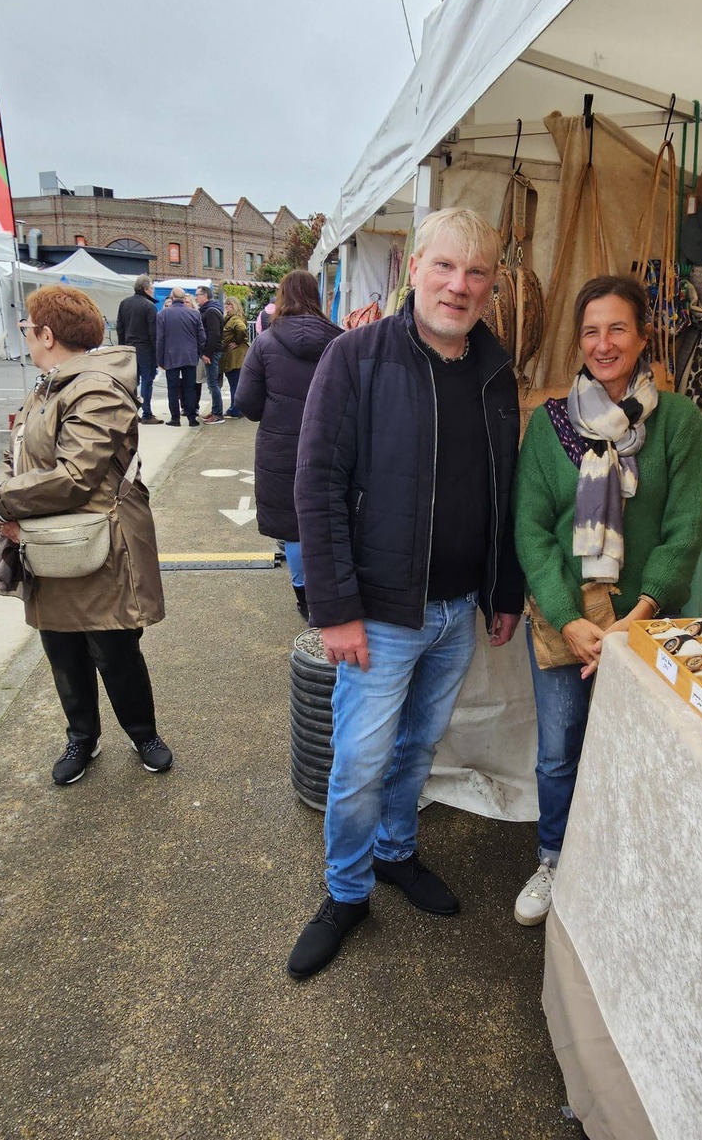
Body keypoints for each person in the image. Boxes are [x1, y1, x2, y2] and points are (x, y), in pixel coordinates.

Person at [286, 208, 523, 979]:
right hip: (379, 613)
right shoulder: (356, 357)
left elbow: (504, 490)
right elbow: (316, 486)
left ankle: (393, 852)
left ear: (491, 285)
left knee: (420, 744)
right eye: (445, 266)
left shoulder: (495, 371)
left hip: (457, 610)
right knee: (360, 761)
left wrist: (504, 589)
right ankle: (346, 891)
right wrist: (336, 609)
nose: (459, 285)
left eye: (476, 272)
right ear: (414, 268)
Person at [509, 275, 702, 927]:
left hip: (644, 621)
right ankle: (554, 859)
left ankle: (623, 866)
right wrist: (568, 618)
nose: (604, 343)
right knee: (560, 748)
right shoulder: (551, 425)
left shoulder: (678, 421)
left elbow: (685, 527)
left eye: (618, 328)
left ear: (643, 336)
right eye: (591, 331)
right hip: (566, 616)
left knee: (636, 746)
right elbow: (531, 527)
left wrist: (637, 618)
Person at [0, 286, 175, 784]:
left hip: (99, 544)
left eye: (28, 328)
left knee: (114, 650)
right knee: (62, 649)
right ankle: (81, 737)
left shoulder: (95, 389)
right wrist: (4, 491)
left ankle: (143, 734)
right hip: (49, 543)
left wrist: (1, 500)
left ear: (47, 334)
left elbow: (75, 475)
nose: (26, 336)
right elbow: (16, 453)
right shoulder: (50, 385)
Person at [234, 270, 338, 622]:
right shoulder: (341, 341)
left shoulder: (265, 343)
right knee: (330, 520)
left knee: (293, 526)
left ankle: (305, 599)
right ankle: (332, 594)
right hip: (331, 445)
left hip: (280, 449)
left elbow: (246, 403)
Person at [155, 288, 205, 428]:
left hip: (171, 356)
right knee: (190, 387)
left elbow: (160, 339)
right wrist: (197, 352)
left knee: (172, 388)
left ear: (172, 297)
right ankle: (192, 418)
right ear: (184, 298)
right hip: (190, 355)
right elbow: (202, 336)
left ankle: (175, 418)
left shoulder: (163, 314)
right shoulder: (194, 314)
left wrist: (160, 359)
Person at [116, 274, 162, 424]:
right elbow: (153, 333)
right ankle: (147, 413)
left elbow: (120, 328)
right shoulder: (149, 306)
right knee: (147, 380)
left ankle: (131, 412)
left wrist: (123, 347)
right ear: (145, 289)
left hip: (129, 347)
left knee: (131, 382)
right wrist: (157, 353)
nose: (153, 291)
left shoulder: (124, 303)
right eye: (152, 288)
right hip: (145, 348)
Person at [197, 284, 226, 423]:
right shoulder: (211, 310)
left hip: (212, 352)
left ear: (205, 296)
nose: (196, 298)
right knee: (212, 383)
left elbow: (214, 334)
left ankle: (218, 414)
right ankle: (215, 410)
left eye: (198, 295)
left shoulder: (210, 311)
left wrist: (207, 353)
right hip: (213, 351)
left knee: (213, 383)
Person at [220, 300, 249, 420]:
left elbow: (241, 328)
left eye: (230, 304)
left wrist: (237, 341)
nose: (227, 306)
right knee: (236, 384)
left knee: (234, 384)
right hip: (236, 356)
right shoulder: (231, 318)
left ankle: (235, 409)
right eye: (226, 304)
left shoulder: (234, 319)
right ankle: (237, 408)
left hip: (235, 357)